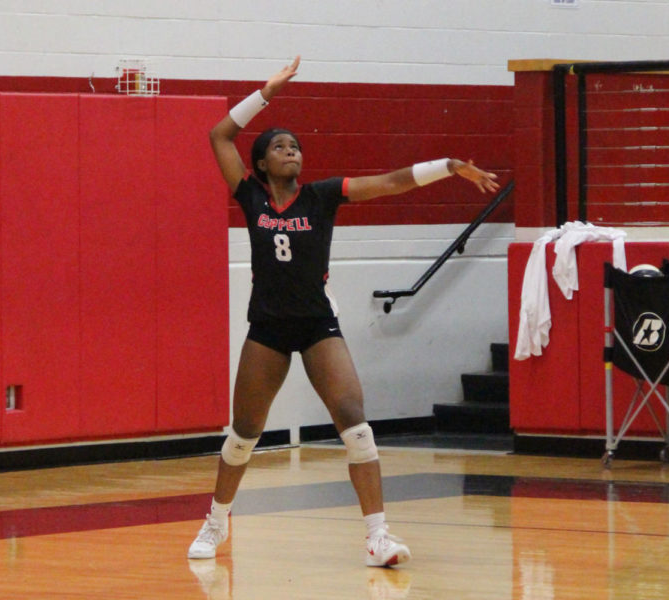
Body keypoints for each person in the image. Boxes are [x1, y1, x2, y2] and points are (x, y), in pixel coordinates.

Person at [187, 56, 500, 568]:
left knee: (354, 420)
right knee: (245, 430)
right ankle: (216, 521)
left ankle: (378, 537)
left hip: (316, 324)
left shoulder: (323, 196)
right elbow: (219, 137)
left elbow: (391, 182)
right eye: (281, 146)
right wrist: (265, 93)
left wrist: (446, 166)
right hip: (266, 327)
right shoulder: (250, 197)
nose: (292, 151)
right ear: (262, 162)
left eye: (297, 146)